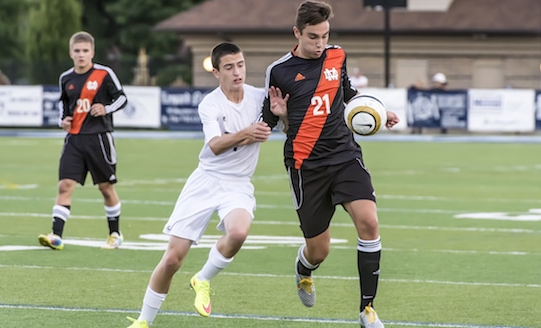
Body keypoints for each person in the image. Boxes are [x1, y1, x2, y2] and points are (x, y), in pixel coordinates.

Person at [261, 1, 399, 327]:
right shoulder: (279, 70)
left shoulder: (337, 56)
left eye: (324, 35)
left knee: (369, 223)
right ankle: (304, 268)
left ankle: (367, 309)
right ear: (297, 33)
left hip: (344, 155)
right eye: (313, 36)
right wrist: (278, 114)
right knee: (319, 250)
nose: (320, 43)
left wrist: (380, 110)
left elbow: (348, 93)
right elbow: (267, 121)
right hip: (305, 165)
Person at [126, 42, 271, 328]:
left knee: (239, 233)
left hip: (238, 184)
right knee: (172, 260)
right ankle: (144, 321)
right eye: (229, 68)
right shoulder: (210, 103)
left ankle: (202, 278)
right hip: (206, 181)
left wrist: (281, 113)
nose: (237, 72)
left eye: (240, 65)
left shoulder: (259, 97)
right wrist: (246, 133)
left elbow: (285, 123)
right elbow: (215, 145)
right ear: (216, 72)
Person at [38, 31, 128, 250]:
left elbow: (123, 98)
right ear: (71, 53)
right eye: (77, 51)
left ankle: (115, 234)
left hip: (99, 139)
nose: (81, 55)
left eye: (85, 51)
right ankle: (56, 236)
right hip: (74, 140)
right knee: (64, 185)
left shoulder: (104, 74)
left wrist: (105, 108)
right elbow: (64, 105)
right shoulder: (65, 78)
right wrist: (64, 121)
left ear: (92, 52)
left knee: (106, 188)